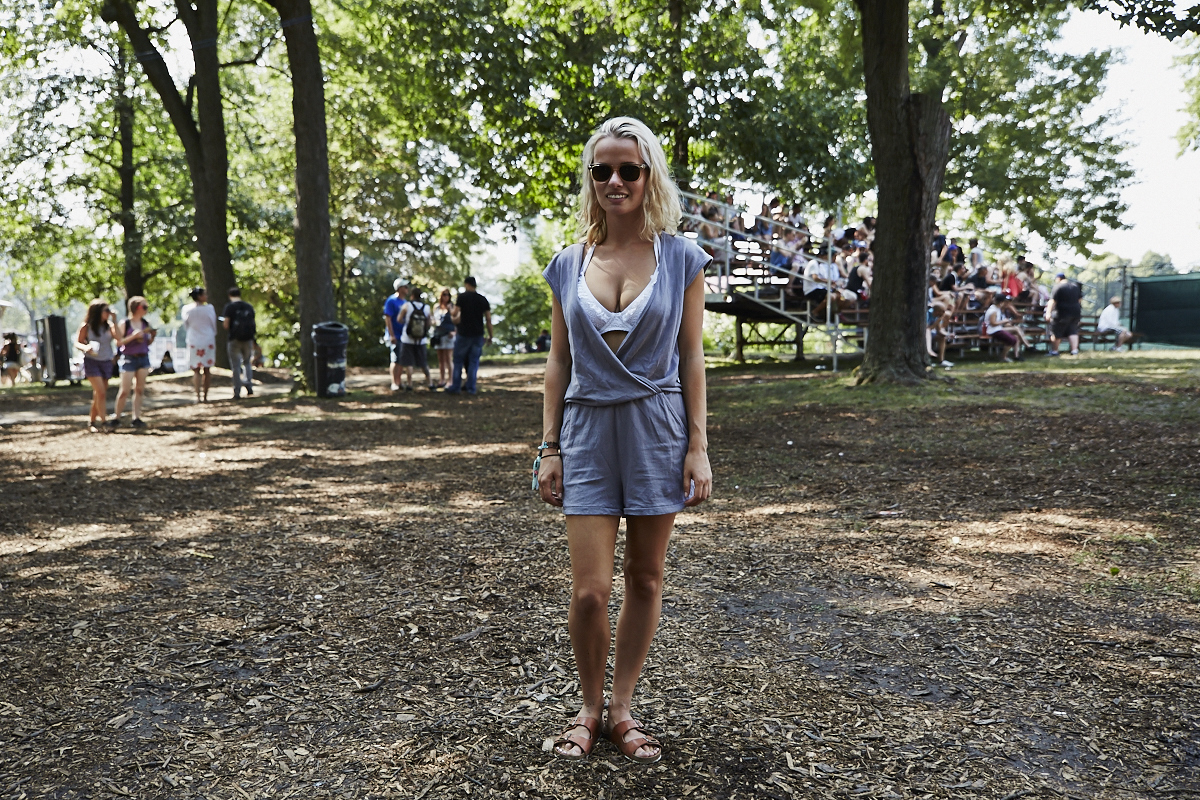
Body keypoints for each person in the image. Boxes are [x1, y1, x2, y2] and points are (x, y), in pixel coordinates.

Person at [538, 116, 712, 765]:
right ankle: (586, 707)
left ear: (648, 177)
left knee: (645, 576)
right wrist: (548, 445)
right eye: (602, 170)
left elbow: (692, 355)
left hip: (657, 427)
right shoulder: (567, 263)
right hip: (585, 429)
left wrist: (698, 444)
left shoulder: (682, 257)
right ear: (592, 180)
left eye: (628, 170)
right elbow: (558, 361)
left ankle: (621, 710)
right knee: (590, 589)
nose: (615, 181)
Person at [111, 296, 155, 429]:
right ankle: (116, 417)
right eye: (144, 307)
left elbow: (148, 342)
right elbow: (118, 342)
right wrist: (133, 336)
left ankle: (136, 417)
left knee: (139, 389)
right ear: (137, 308)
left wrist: (151, 336)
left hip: (143, 357)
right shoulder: (125, 323)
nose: (146, 309)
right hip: (129, 358)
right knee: (124, 390)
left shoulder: (145, 323)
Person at [74, 299, 118, 431]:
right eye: (106, 310)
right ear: (98, 311)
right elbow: (77, 342)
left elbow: (118, 338)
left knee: (99, 394)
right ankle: (104, 422)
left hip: (106, 361)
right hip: (91, 361)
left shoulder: (109, 325)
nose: (108, 313)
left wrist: (115, 320)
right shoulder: (86, 326)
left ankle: (92, 422)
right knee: (101, 392)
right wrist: (85, 347)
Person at [445, 276, 492, 395]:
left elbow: (455, 313)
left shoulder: (462, 297)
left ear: (466, 284)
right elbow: (488, 319)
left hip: (463, 334)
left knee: (458, 361)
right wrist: (490, 335)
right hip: (478, 335)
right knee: (473, 362)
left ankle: (455, 387)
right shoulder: (482, 299)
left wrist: (450, 309)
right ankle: (471, 388)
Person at [181, 287, 217, 403]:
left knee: (196, 370)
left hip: (193, 340)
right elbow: (213, 324)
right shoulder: (209, 308)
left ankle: (198, 396)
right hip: (208, 339)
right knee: (207, 369)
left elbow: (185, 325)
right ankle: (205, 396)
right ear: (200, 296)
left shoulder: (186, 309)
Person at [395, 287, 434, 390]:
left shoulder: (407, 306)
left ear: (412, 295)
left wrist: (407, 323)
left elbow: (399, 319)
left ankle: (409, 384)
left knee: (408, 362)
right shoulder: (426, 307)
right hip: (421, 340)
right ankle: (430, 383)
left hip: (407, 338)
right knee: (423, 362)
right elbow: (429, 323)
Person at [222, 287, 256, 398]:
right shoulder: (248, 306)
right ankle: (249, 384)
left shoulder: (229, 307)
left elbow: (226, 324)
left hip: (234, 339)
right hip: (248, 339)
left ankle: (237, 390)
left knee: (235, 366)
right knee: (247, 363)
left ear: (229, 295)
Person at [1045, 273, 1082, 356]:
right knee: (1073, 331)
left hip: (1061, 313)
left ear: (1058, 278)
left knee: (1056, 331)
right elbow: (1080, 300)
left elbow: (1052, 301)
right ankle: (1074, 351)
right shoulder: (1075, 287)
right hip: (1075, 312)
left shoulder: (1058, 287)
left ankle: (1055, 351)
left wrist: (1048, 313)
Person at [384, 278, 409, 392]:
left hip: (404, 336)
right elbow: (388, 318)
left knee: (402, 359)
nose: (407, 289)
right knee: (395, 359)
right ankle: (394, 382)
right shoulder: (391, 301)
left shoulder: (405, 302)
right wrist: (391, 335)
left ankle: (399, 381)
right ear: (399, 288)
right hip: (395, 335)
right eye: (405, 287)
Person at [430, 288, 456, 388]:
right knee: (441, 359)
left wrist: (454, 332)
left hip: (449, 335)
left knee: (448, 358)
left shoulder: (452, 307)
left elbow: (456, 320)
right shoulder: (436, 307)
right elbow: (433, 319)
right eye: (444, 294)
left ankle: (451, 380)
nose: (446, 297)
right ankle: (442, 380)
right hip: (438, 335)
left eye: (448, 295)